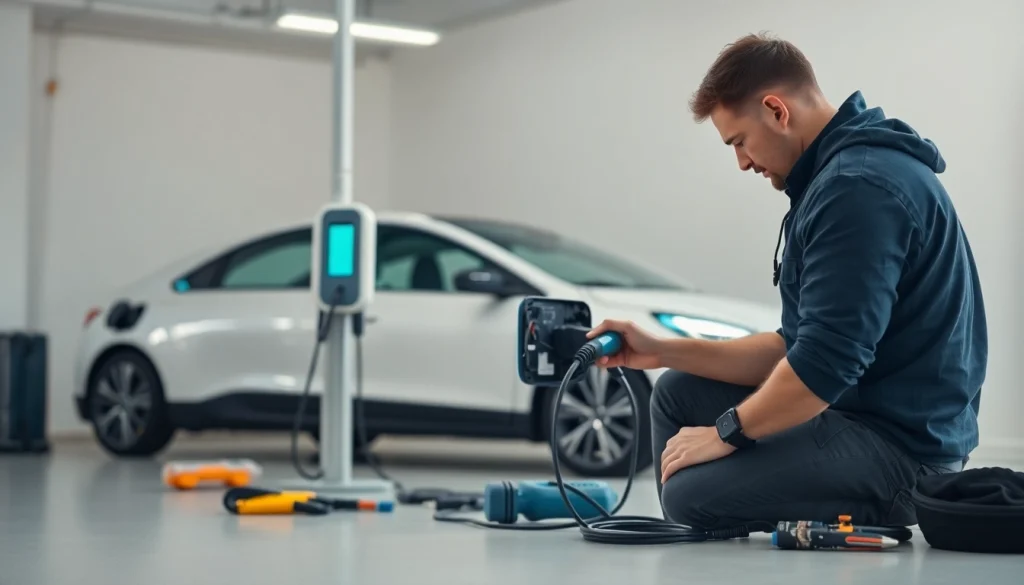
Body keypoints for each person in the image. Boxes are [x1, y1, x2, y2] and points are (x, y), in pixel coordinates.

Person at [587, 33, 987, 530]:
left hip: (904, 454)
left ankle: (864, 507)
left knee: (690, 495)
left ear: (776, 110)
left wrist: (726, 433)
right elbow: (795, 349)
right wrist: (662, 349)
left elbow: (824, 366)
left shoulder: (856, 188)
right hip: (854, 413)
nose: (742, 162)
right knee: (676, 393)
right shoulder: (836, 178)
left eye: (738, 141)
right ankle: (730, 506)